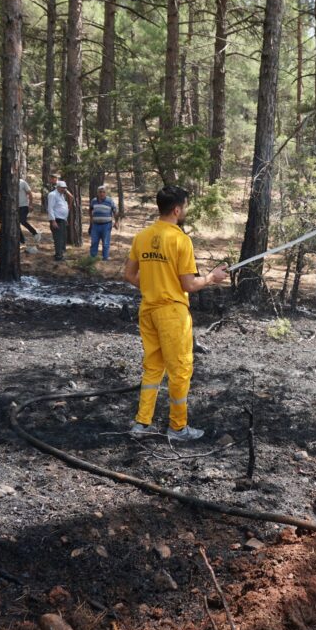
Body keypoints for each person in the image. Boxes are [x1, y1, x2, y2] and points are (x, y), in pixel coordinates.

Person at [124, 186, 228, 441]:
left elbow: (128, 274)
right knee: (180, 369)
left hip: (148, 310)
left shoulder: (142, 237)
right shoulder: (181, 239)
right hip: (172, 313)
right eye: (186, 207)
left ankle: (142, 423)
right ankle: (178, 427)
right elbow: (189, 285)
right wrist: (212, 278)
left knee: (153, 367)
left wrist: (152, 287)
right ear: (177, 209)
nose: (186, 211)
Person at [88, 185, 118, 260]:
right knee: (94, 242)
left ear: (106, 193)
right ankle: (92, 258)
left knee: (105, 242)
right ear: (97, 193)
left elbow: (115, 211)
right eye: (100, 192)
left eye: (103, 192)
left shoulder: (110, 201)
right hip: (95, 225)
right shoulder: (94, 201)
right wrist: (91, 220)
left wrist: (116, 222)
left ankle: (105, 258)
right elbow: (90, 210)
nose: (102, 194)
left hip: (106, 225)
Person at [46, 178, 72, 261]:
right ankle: (58, 256)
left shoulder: (61, 195)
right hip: (56, 220)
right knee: (58, 238)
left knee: (63, 238)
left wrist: (65, 219)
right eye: (62, 187)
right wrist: (53, 221)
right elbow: (50, 208)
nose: (64, 189)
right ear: (57, 187)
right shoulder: (52, 195)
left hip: (62, 220)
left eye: (65, 188)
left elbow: (67, 203)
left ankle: (61, 254)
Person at [17, 177, 40, 245]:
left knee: (22, 220)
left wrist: (30, 204)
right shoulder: (9, 182)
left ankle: (35, 233)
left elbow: (30, 193)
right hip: (14, 207)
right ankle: (21, 240)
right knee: (16, 223)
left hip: (24, 205)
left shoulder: (22, 182)